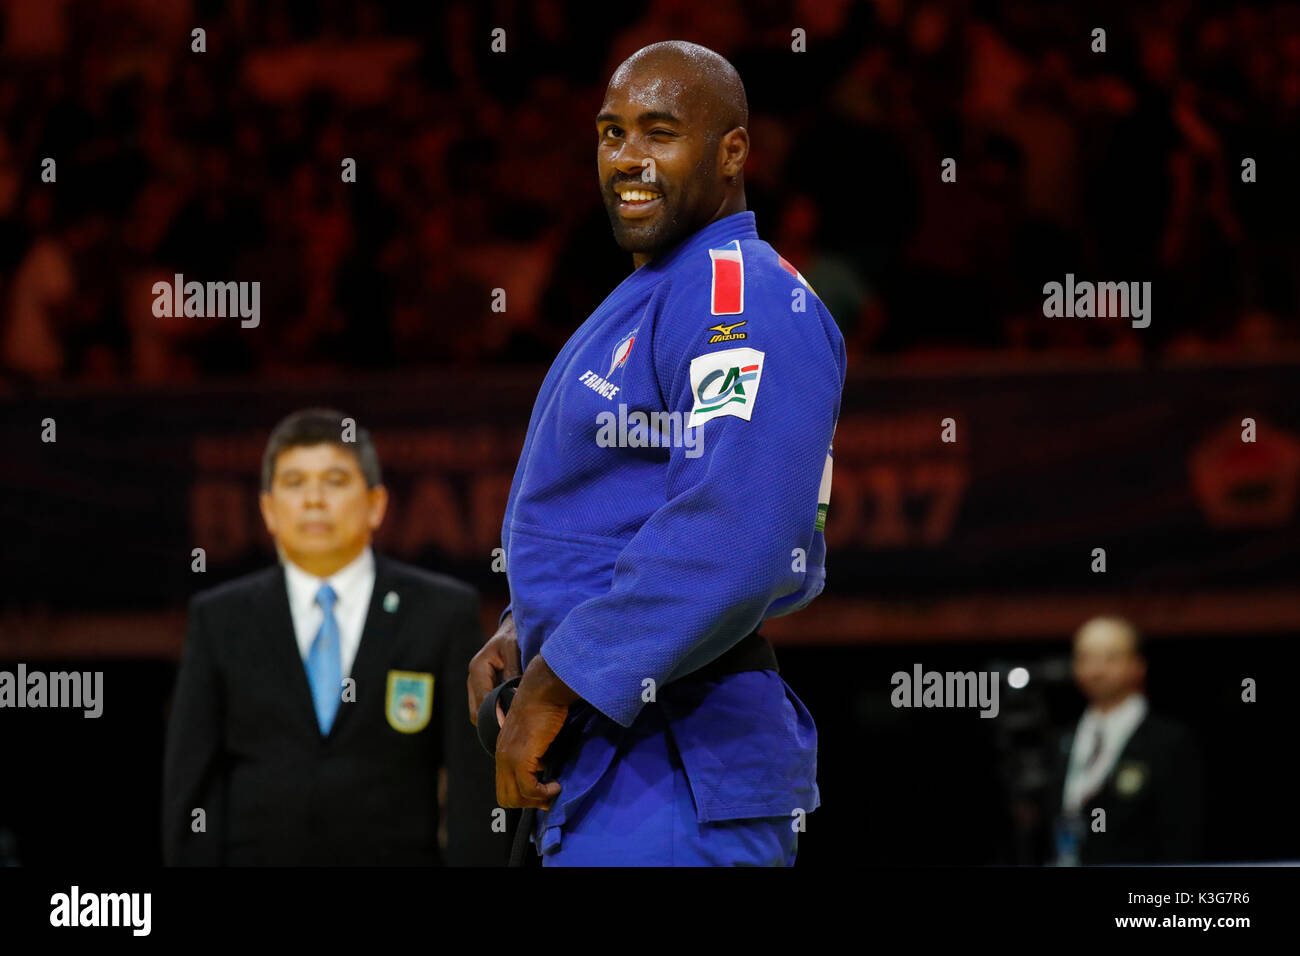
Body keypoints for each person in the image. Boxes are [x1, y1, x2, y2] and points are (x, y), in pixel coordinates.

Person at [469, 41, 846, 865]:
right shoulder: (663, 291)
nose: (628, 160)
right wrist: (527, 628)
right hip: (621, 760)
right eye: (611, 134)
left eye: (659, 133)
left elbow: (736, 533)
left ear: (732, 153)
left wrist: (555, 674)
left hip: (675, 764)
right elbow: (623, 514)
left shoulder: (735, 297)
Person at [163, 408, 504, 865]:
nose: (314, 500)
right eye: (295, 483)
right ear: (267, 509)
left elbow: (473, 786)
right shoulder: (219, 618)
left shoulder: (441, 611)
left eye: (335, 481)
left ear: (377, 504)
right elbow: (192, 783)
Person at [1049, 616, 1204, 865]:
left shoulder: (1169, 742)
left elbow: (1182, 834)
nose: (1096, 670)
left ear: (1137, 665)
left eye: (1110, 658)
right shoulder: (1062, 740)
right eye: (1085, 658)